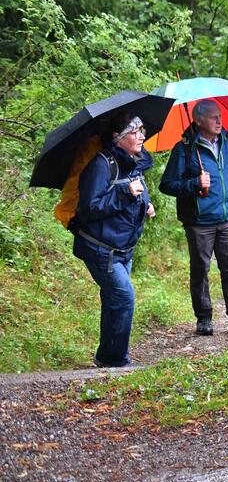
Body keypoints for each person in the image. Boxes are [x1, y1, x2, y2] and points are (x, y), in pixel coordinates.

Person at [159, 99, 228, 337]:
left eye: (220, 116)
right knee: (200, 270)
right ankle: (204, 319)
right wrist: (195, 183)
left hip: (227, 218)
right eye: (213, 117)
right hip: (198, 222)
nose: (219, 120)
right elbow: (168, 185)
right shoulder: (184, 149)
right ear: (198, 120)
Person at [71, 113, 156, 368]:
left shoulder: (133, 162)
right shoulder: (100, 165)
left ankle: (106, 357)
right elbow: (89, 209)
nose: (142, 136)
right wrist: (125, 193)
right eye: (135, 132)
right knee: (123, 297)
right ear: (117, 138)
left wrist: (145, 203)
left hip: (122, 248)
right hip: (100, 248)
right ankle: (116, 361)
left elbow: (133, 195)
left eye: (142, 130)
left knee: (113, 300)